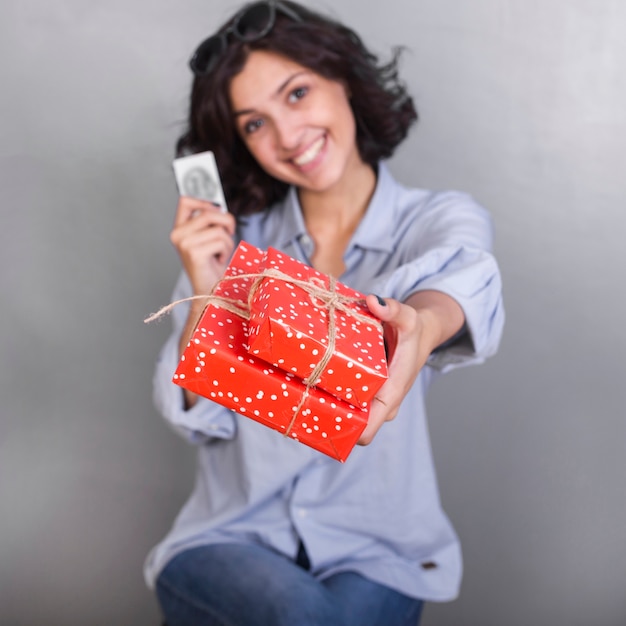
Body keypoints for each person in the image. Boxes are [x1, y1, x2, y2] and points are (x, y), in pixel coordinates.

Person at [144, 1, 504, 625]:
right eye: (253, 124)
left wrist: (421, 325)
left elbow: (461, 276)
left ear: (344, 80)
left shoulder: (433, 219)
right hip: (230, 539)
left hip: (377, 551)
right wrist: (208, 287)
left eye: (297, 93)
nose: (286, 137)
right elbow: (203, 423)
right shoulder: (234, 247)